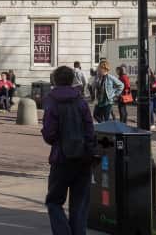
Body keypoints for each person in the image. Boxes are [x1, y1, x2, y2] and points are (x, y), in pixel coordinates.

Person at [41, 65, 96, 235]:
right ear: (72, 80)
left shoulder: (51, 101)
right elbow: (90, 128)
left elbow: (49, 134)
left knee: (54, 201)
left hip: (61, 158)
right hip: (83, 158)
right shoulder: (81, 101)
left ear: (55, 80)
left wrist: (47, 133)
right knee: (79, 205)